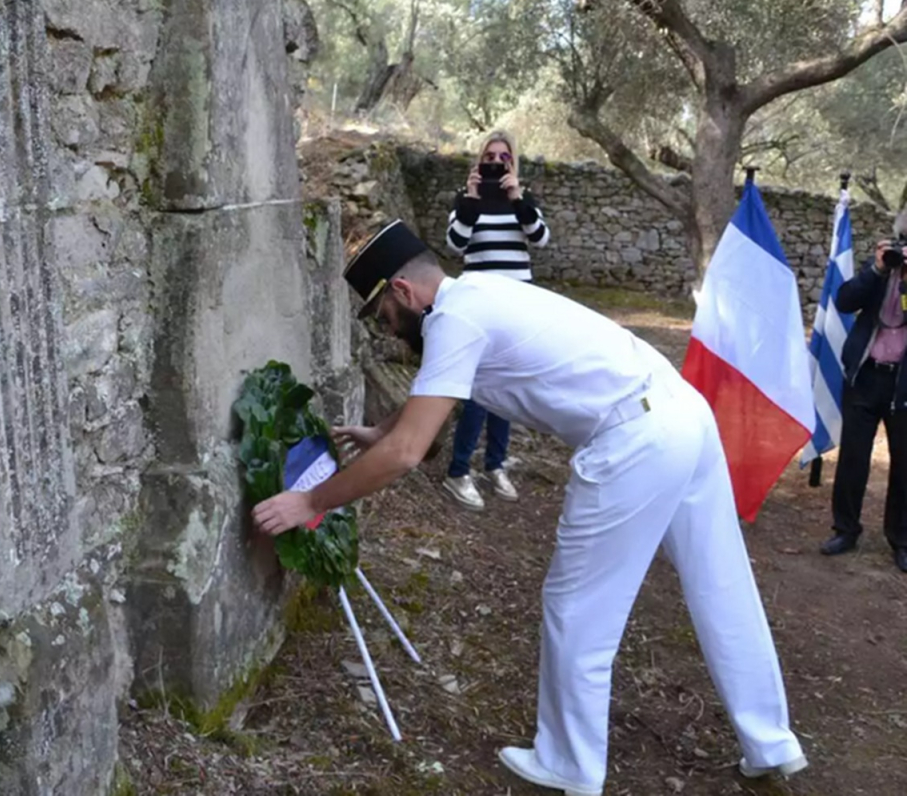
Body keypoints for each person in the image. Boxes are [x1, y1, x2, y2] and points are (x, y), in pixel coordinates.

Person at [252, 220, 807, 796]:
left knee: (578, 608)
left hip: (635, 439)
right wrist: (380, 429)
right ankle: (770, 741)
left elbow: (407, 454)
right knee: (721, 583)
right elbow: (428, 407)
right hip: (681, 413)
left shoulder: (453, 323)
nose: (386, 331)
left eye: (381, 316)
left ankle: (570, 762)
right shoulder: (477, 294)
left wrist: (309, 501)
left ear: (402, 292)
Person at [441, 129, 551, 509]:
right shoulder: (465, 199)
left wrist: (518, 198)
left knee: (506, 387)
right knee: (478, 389)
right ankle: (458, 470)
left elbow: (540, 239)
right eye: (490, 156)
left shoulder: (523, 198)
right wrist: (471, 201)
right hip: (479, 305)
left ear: (512, 161)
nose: (496, 162)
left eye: (504, 157)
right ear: (480, 159)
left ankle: (496, 463)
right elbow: (454, 244)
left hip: (517, 305)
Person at [818, 226, 907, 573]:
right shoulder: (880, 272)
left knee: (904, 465)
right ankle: (845, 530)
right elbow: (844, 300)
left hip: (902, 385)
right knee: (854, 458)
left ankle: (901, 539)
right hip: (865, 376)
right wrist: (878, 269)